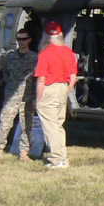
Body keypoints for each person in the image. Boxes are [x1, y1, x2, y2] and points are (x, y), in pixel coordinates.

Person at [0, 25, 39, 161]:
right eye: (19, 39)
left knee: (27, 125)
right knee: (5, 123)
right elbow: (5, 73)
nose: (21, 42)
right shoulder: (10, 57)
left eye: (24, 39)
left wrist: (35, 97)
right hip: (12, 95)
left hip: (28, 96)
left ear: (29, 40)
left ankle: (24, 153)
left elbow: (38, 78)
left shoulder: (35, 58)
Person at [34, 20, 78, 169]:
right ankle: (62, 157)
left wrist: (38, 98)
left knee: (50, 126)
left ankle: (56, 158)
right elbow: (73, 77)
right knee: (58, 125)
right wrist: (66, 90)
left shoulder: (45, 53)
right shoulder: (69, 52)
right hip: (63, 89)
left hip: (49, 89)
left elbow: (41, 79)